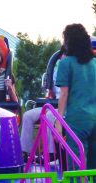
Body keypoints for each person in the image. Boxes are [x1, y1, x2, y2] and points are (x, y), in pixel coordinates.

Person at [55, 23, 96, 170]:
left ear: (69, 41)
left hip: (77, 119)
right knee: (93, 167)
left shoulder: (65, 63)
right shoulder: (95, 63)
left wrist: (59, 122)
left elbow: (64, 94)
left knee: (76, 166)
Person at [20, 49, 65, 162]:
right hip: (54, 103)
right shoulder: (56, 72)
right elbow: (53, 93)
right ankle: (26, 152)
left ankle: (50, 154)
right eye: (63, 56)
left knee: (50, 115)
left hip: (65, 106)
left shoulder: (75, 72)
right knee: (28, 115)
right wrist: (49, 93)